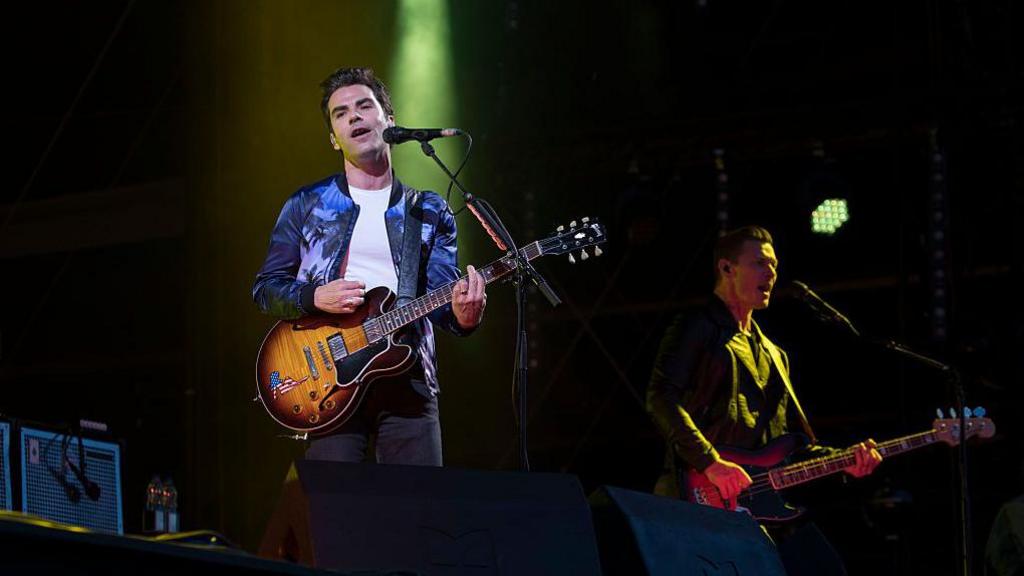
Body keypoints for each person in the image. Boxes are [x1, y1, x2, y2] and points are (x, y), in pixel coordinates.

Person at [253, 67, 485, 466]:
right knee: (336, 518)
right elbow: (266, 289)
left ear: (388, 120)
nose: (354, 117)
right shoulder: (306, 205)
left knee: (420, 517)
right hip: (329, 380)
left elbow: (444, 302)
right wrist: (313, 295)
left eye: (364, 106)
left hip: (408, 381)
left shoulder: (428, 210)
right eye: (340, 114)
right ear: (333, 138)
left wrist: (464, 317)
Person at [646, 225, 881, 575]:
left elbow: (788, 444)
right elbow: (660, 397)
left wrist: (846, 461)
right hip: (692, 497)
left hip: (749, 512)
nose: (771, 274)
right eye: (759, 263)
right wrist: (710, 461)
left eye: (773, 265)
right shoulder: (698, 326)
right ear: (727, 268)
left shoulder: (774, 355)